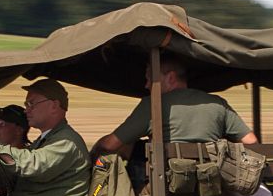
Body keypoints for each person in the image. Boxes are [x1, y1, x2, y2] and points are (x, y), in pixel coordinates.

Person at [91, 55, 259, 157]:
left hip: (166, 190)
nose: (147, 85)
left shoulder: (152, 104)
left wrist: (94, 151)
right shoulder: (218, 103)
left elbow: (109, 145)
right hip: (211, 187)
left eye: (150, 79)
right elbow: (251, 141)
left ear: (171, 77)